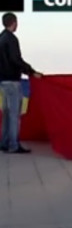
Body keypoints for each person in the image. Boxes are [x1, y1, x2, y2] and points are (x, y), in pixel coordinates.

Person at [0, 12, 41, 154]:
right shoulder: (11, 39)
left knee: (6, 113)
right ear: (14, 22)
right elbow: (16, 60)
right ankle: (13, 145)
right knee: (14, 114)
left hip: (3, 81)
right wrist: (31, 71)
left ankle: (4, 142)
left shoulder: (1, 38)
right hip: (12, 80)